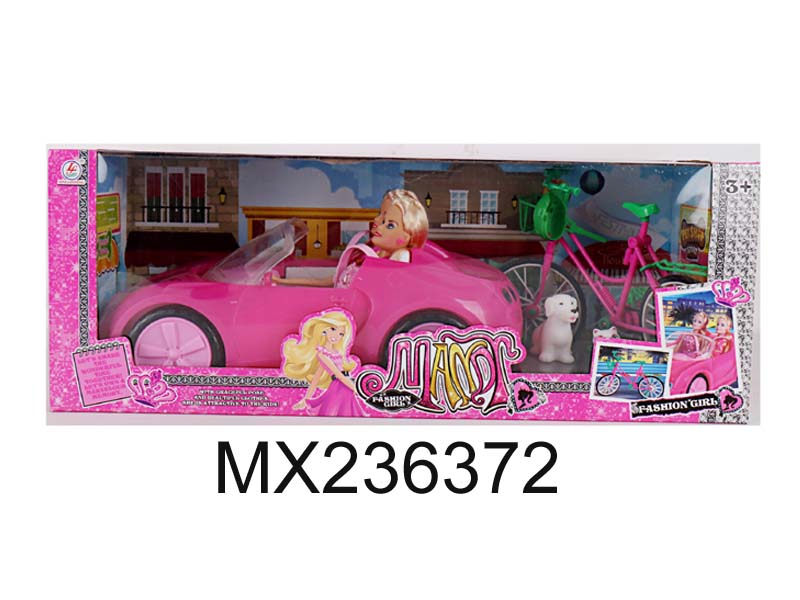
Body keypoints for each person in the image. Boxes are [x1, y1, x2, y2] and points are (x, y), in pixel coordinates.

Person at [272, 189, 429, 287]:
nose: (377, 221)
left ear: (407, 236)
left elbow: (391, 289)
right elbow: (331, 280)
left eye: (389, 224)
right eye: (380, 215)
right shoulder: (371, 254)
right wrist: (283, 282)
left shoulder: (399, 256)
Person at [281, 310, 365, 417]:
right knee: (340, 413)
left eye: (341, 334)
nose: (336, 336)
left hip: (346, 386)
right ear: (324, 328)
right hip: (341, 386)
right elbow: (338, 375)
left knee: (349, 415)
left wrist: (306, 398)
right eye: (333, 329)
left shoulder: (336, 351)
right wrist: (358, 390)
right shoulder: (322, 355)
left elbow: (316, 378)